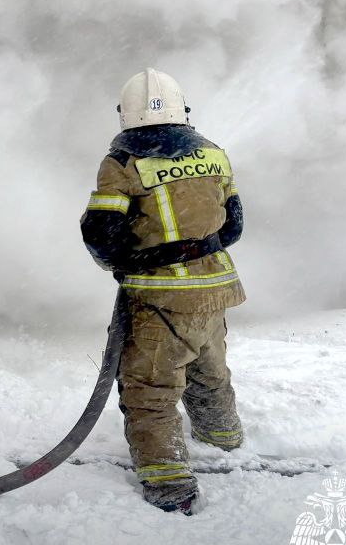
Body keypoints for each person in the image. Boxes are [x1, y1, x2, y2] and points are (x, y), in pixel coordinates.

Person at [79, 68, 245, 514]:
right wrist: (194, 249)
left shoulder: (122, 164)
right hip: (214, 289)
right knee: (208, 369)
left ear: (125, 113)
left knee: (149, 388)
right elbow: (233, 227)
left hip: (160, 298)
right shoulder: (214, 154)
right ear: (182, 109)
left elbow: (102, 235)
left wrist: (133, 261)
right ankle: (222, 435)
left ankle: (170, 485)